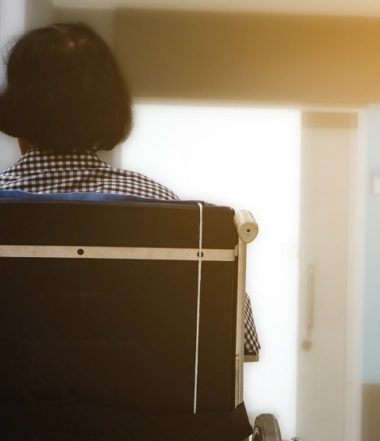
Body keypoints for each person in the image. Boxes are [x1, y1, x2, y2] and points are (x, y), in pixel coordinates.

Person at [0, 22, 260, 355]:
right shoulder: (170, 214)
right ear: (108, 108)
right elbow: (240, 342)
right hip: (142, 391)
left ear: (16, 105)